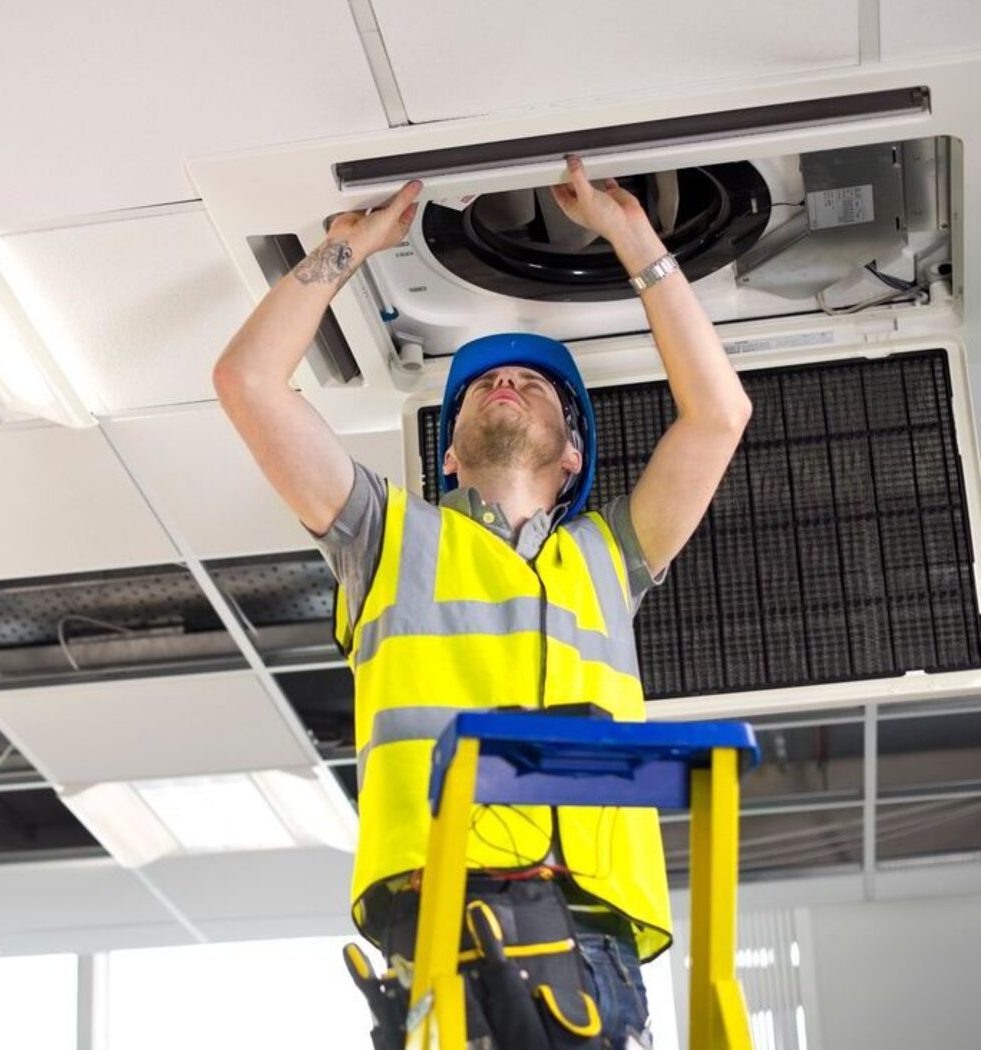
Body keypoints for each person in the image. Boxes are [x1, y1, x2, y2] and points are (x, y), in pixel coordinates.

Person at [213, 156, 751, 1049]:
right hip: (442, 918)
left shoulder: (610, 556)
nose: (506, 385)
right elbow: (249, 384)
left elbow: (718, 416)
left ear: (572, 458)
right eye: (479, 389)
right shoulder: (386, 537)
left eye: (535, 386)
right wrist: (342, 252)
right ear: (451, 455)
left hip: (594, 938)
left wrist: (635, 239)